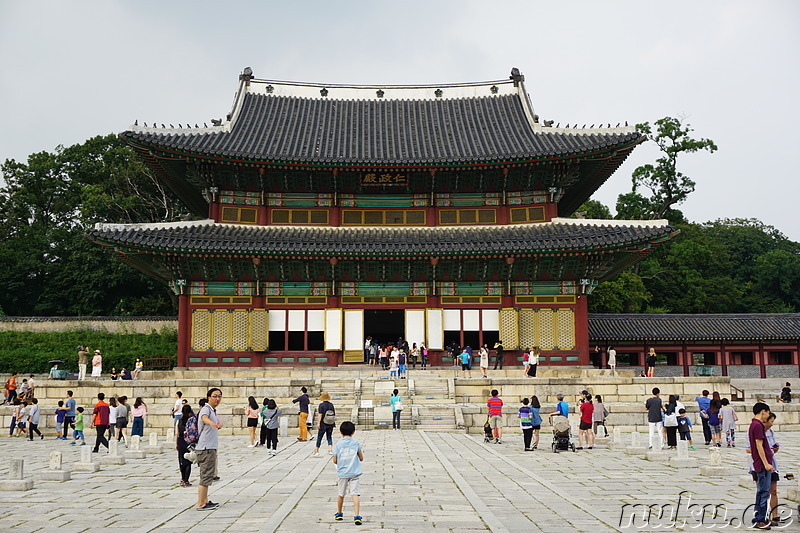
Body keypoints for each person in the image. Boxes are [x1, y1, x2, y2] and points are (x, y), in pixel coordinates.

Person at [748, 402, 774, 530]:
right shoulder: (757, 425)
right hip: (762, 464)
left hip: (761, 463)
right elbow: (759, 445)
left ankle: (759, 517)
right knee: (764, 492)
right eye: (768, 413)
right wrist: (766, 463)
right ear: (763, 411)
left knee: (761, 492)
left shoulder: (754, 424)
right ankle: (760, 519)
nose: (767, 416)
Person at [332, 421, 364, 525]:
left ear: (341, 432)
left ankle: (339, 512)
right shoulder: (356, 443)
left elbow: (335, 460)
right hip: (354, 473)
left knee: (341, 494)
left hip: (343, 473)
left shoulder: (338, 445)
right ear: (353, 432)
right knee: (355, 494)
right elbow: (361, 458)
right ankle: (357, 515)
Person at [196, 388, 223, 511]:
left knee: (207, 475)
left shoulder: (212, 410)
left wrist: (216, 424)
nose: (217, 399)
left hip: (210, 447)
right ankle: (201, 503)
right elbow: (204, 418)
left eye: (219, 396)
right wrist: (211, 423)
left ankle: (205, 499)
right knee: (205, 476)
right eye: (215, 396)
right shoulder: (206, 408)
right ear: (209, 397)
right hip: (206, 448)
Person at [176, 404, 194, 487]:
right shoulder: (192, 421)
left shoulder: (179, 420)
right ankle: (186, 480)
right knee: (188, 461)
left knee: (182, 460)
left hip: (181, 441)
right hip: (189, 442)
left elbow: (177, 433)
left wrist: (176, 443)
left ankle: (183, 478)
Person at [314, 392, 336, 457]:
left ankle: (317, 451)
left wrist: (318, 423)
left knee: (320, 437)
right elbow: (334, 414)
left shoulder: (321, 405)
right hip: (330, 423)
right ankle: (330, 450)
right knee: (329, 437)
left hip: (323, 424)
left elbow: (320, 415)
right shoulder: (331, 405)